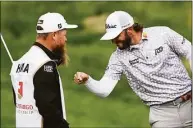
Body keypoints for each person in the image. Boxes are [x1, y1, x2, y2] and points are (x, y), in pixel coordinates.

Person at [74, 11, 192, 128]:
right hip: (162, 115)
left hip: (189, 103)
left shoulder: (162, 33)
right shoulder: (117, 58)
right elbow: (104, 90)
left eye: (117, 36)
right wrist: (88, 80)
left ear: (129, 30)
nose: (114, 41)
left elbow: (189, 51)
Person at [10, 12, 77, 128]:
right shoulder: (44, 64)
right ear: (55, 35)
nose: (65, 39)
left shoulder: (18, 63)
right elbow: (49, 110)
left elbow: (19, 101)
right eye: (64, 35)